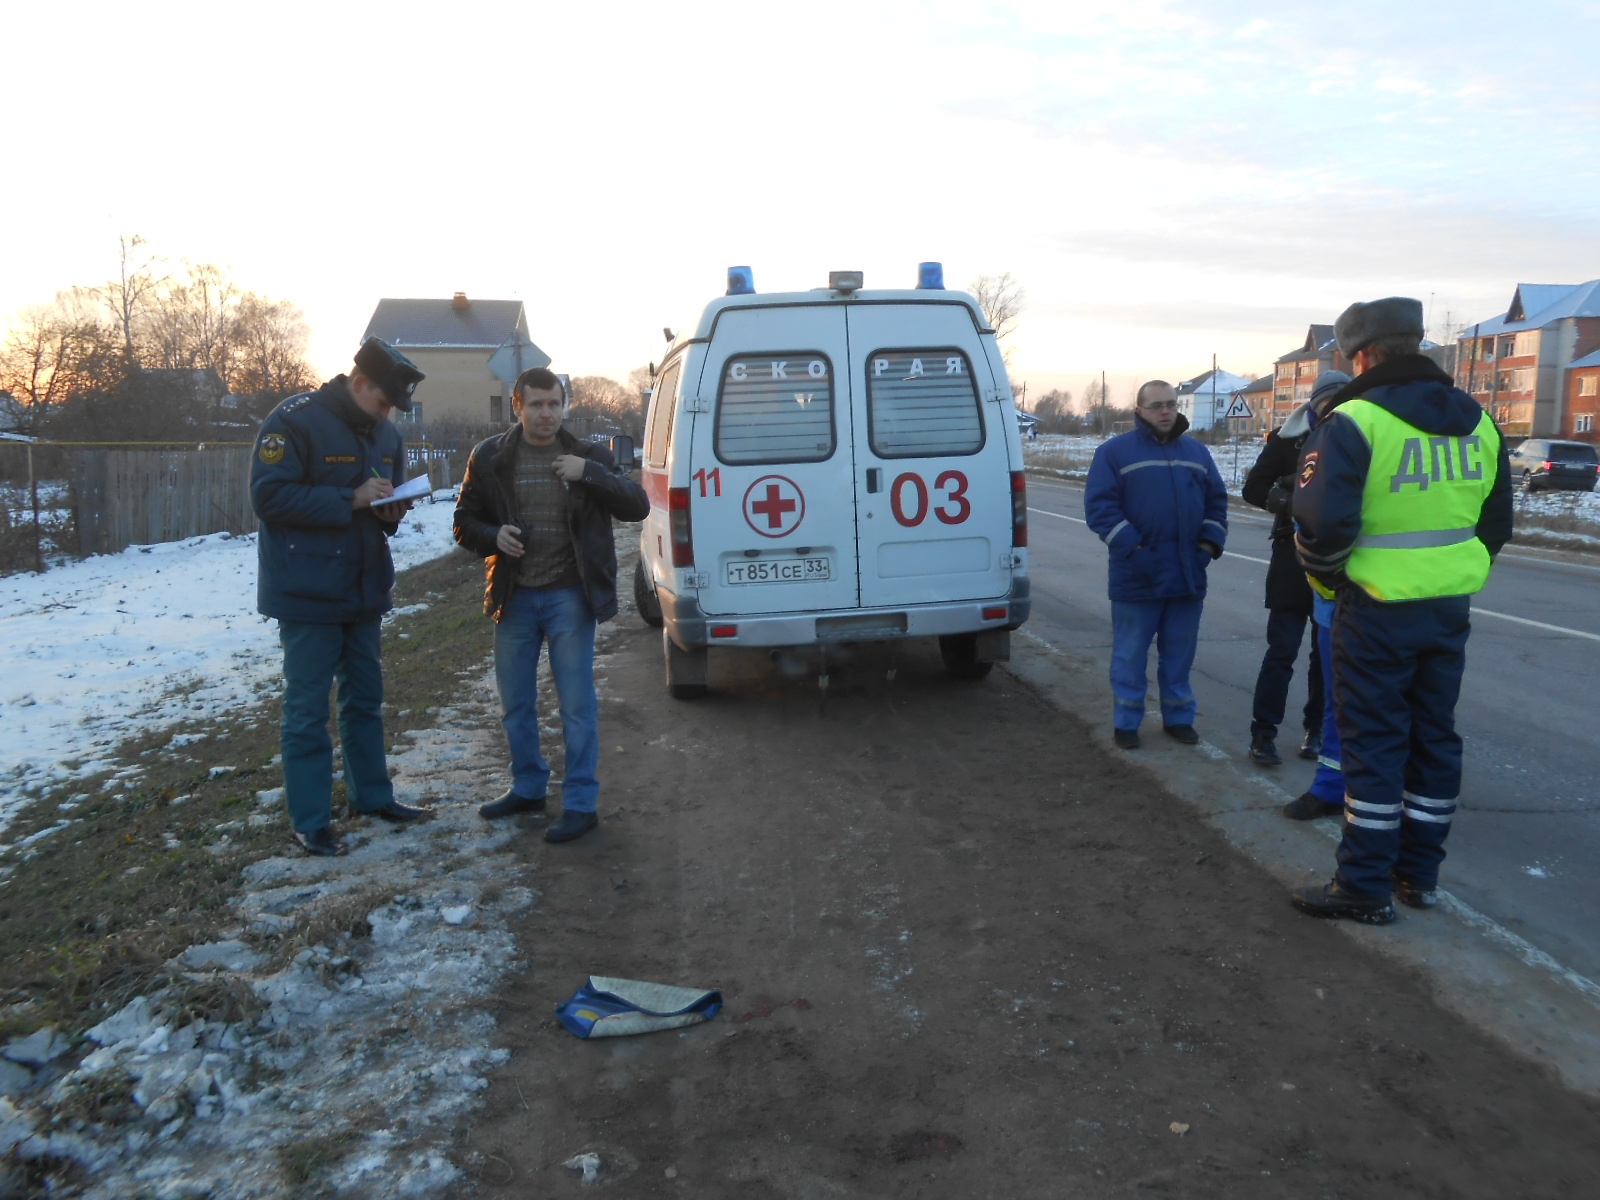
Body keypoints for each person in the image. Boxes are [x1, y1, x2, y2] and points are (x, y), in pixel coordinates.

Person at [1290, 297, 1512, 924]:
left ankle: (1362, 885)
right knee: (1433, 741)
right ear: (1416, 343)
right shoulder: (1480, 420)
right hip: (1446, 611)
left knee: (1373, 746)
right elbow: (1496, 524)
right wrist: (1451, 573)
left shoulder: (1354, 421)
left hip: (1375, 610)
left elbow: (1320, 528)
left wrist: (1334, 588)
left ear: (1361, 353)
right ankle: (1419, 876)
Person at [453, 367, 649, 843]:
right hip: (514, 597)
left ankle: (581, 803)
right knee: (516, 705)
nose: (546, 413)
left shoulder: (587, 455)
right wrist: (492, 535)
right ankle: (528, 787)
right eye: (536, 404)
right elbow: (463, 521)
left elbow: (637, 505)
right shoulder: (490, 457)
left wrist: (593, 475)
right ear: (517, 406)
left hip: (569, 597)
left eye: (554, 404)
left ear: (565, 406)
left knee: (577, 706)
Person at [251, 337, 428, 857]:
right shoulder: (294, 421)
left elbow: (382, 503)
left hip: (364, 587)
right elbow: (268, 496)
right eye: (382, 401)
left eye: (394, 406)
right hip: (307, 591)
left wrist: (390, 513)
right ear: (358, 384)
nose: (388, 412)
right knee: (307, 711)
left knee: (365, 701)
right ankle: (310, 819)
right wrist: (348, 499)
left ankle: (372, 797)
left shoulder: (387, 434)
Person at [1084, 380, 1229, 749]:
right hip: (1137, 576)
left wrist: (1207, 547)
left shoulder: (1197, 452)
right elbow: (1101, 509)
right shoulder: (1114, 453)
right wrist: (1135, 550)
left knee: (1179, 654)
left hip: (1187, 573)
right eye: (1156, 406)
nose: (1165, 411)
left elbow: (1216, 502)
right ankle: (1127, 721)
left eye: (1171, 404)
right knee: (1130, 654)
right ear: (1139, 411)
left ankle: (1179, 718)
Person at [1240, 371, 1349, 767]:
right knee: (1281, 651)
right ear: (1313, 404)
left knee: (1325, 658)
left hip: (1338, 564)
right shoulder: (1288, 439)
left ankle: (1315, 731)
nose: (1332, 408)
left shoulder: (1354, 438)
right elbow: (1253, 488)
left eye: (1341, 400)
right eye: (1327, 401)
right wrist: (1293, 502)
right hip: (1291, 558)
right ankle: (1263, 733)